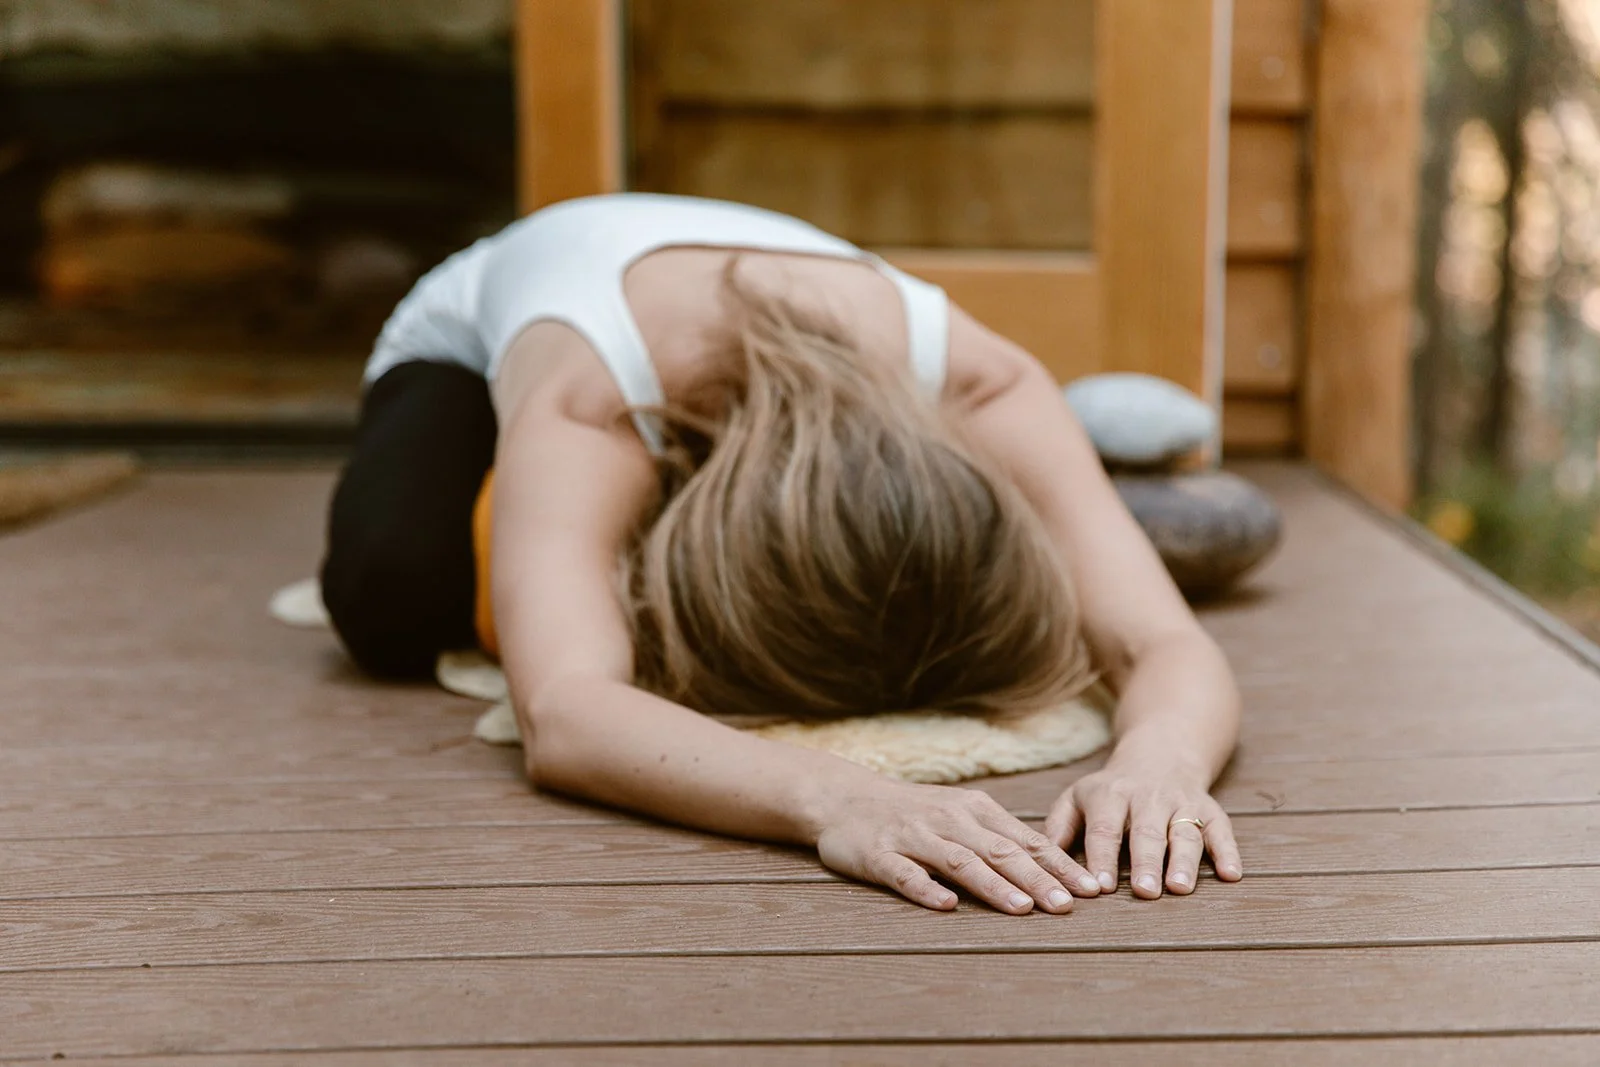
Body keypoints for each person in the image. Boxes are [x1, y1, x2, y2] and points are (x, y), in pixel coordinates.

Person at [320, 192, 1243, 915]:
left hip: (783, 318)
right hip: (484, 331)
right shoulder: (592, 398)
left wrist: (1160, 759)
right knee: (394, 587)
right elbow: (563, 709)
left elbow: (1163, 642)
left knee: (1062, 548)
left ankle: (1086, 473)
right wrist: (838, 797)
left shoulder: (983, 378)